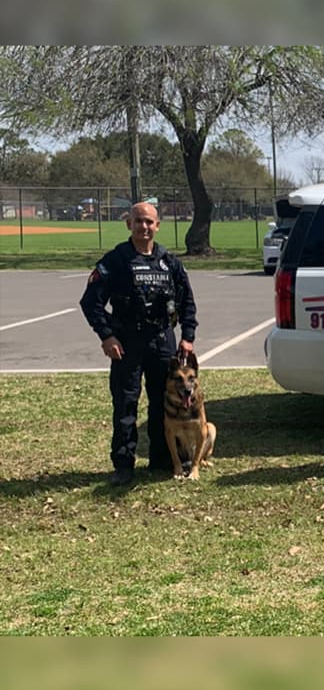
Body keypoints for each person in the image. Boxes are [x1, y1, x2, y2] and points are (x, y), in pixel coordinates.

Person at [79, 201, 198, 486]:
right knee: (125, 404)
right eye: (138, 221)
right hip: (127, 342)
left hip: (162, 342)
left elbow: (187, 301)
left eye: (149, 222)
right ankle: (123, 464)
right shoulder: (115, 261)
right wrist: (107, 335)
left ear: (158, 226)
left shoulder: (169, 261)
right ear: (128, 224)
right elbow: (90, 302)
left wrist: (188, 336)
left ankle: (162, 458)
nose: (144, 227)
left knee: (165, 402)